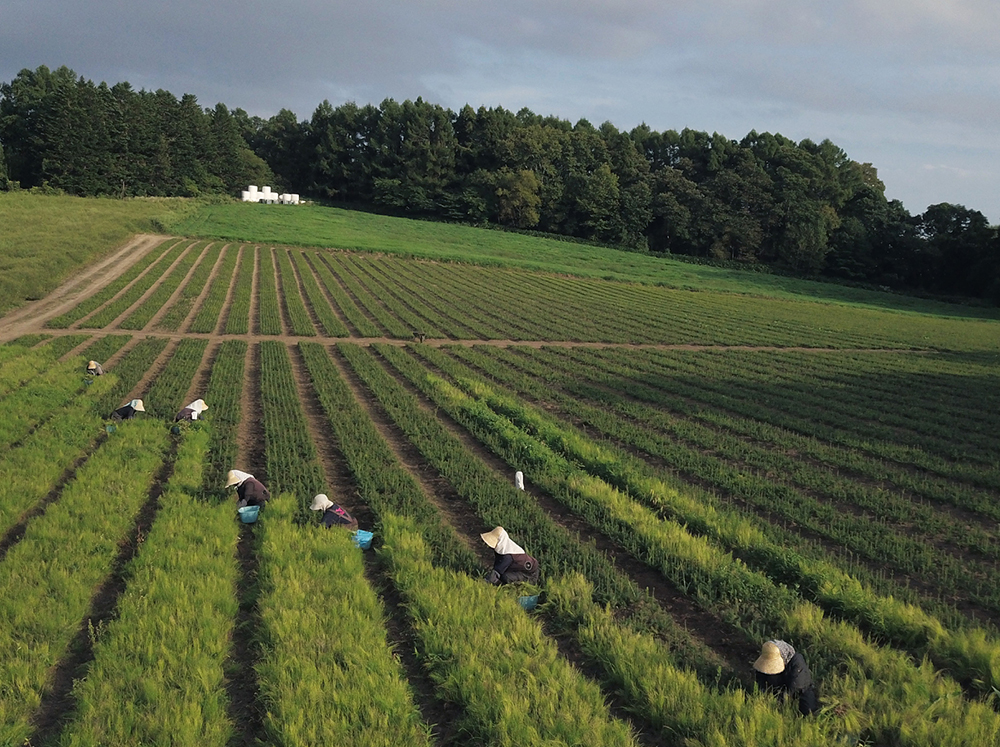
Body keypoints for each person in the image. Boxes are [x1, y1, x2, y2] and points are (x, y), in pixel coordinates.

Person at [752, 640, 819, 716]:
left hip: (800, 690)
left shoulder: (797, 662)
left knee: (809, 711)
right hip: (777, 688)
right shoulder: (765, 658)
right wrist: (764, 695)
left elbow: (796, 685)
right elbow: (760, 680)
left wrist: (781, 700)